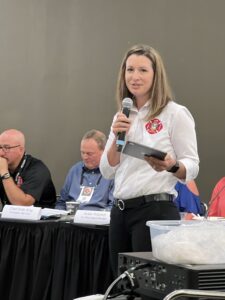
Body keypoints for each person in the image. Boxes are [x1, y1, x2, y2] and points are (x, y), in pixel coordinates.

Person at [99, 44, 199, 276]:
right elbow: (107, 170)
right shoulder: (122, 115)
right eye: (130, 70)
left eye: (143, 70)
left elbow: (192, 166)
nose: (135, 77)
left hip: (154, 211)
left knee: (147, 287)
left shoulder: (174, 113)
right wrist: (116, 137)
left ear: (156, 75)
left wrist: (172, 165)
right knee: (121, 286)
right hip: (120, 211)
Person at [56, 129, 114, 211]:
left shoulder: (112, 173)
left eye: (89, 153)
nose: (85, 157)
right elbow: (61, 203)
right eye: (82, 153)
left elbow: (113, 207)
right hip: (70, 220)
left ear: (104, 151)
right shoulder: (75, 170)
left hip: (97, 221)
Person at [0, 129, 56, 208]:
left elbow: (23, 204)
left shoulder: (37, 169)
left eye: (7, 148)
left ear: (21, 149)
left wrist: (4, 173)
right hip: (9, 217)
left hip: (39, 219)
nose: (1, 153)